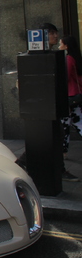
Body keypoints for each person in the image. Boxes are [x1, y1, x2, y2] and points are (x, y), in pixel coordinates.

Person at [58, 35, 81, 182]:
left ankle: (63, 151)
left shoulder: (68, 59)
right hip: (78, 95)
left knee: (65, 125)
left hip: (69, 96)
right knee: (79, 122)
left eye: (61, 43)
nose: (59, 45)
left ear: (66, 46)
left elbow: (64, 78)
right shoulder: (77, 57)